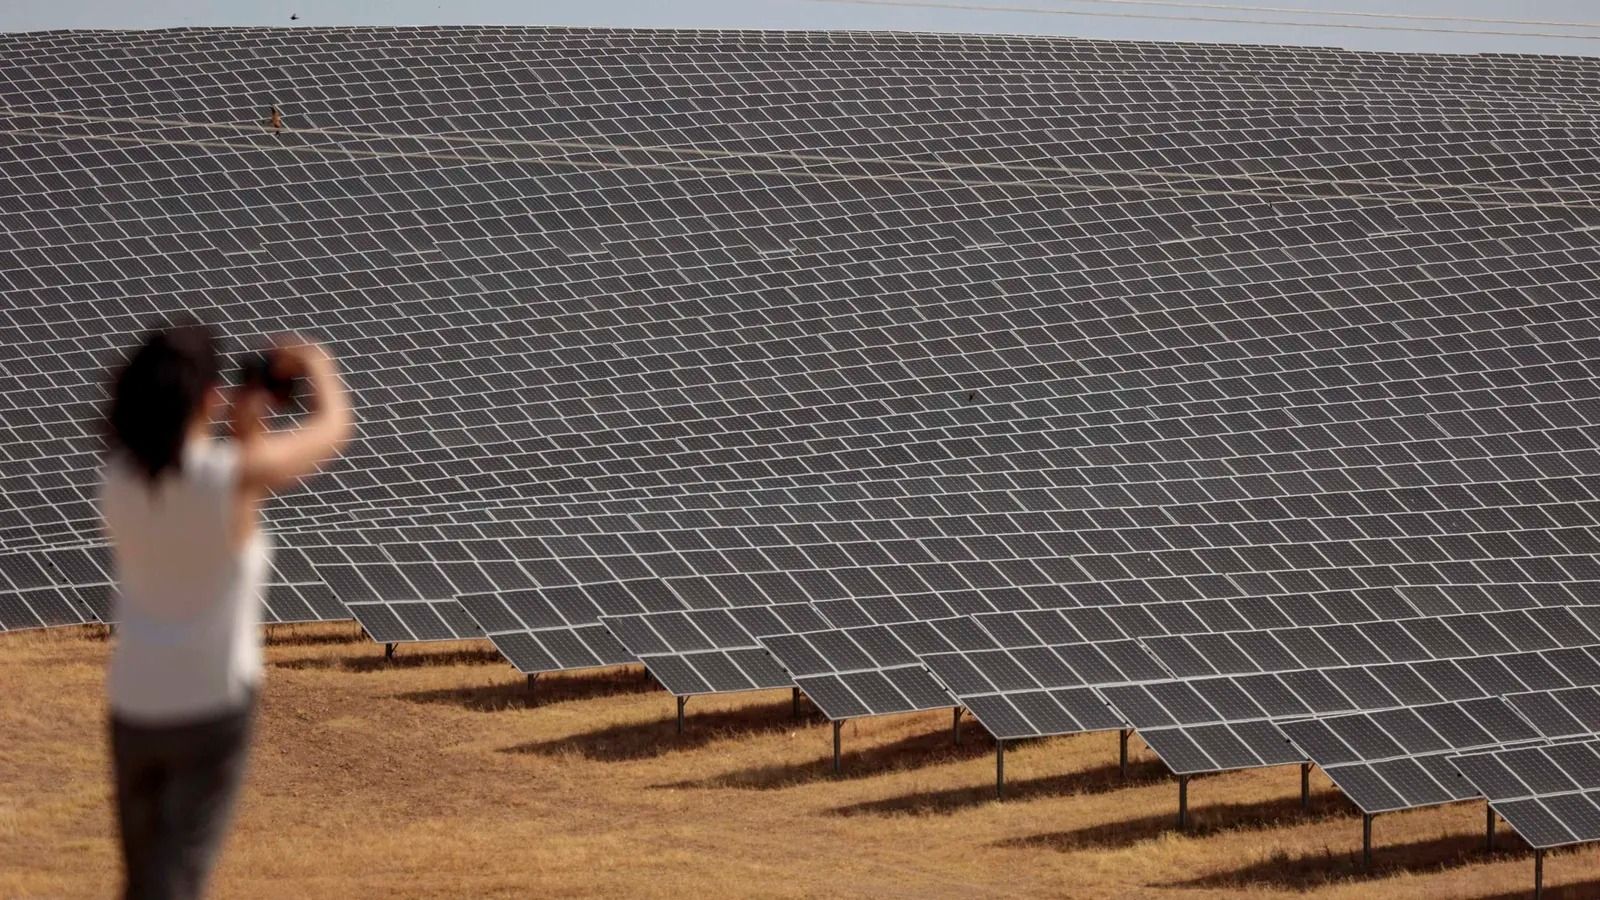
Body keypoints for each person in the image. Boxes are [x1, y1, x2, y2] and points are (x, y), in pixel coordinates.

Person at [100, 320, 351, 900]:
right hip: (209, 706)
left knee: (145, 879)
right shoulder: (226, 480)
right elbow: (333, 431)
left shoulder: (118, 481)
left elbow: (227, 490)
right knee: (178, 877)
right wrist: (317, 365)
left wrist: (244, 426)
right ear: (208, 397)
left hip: (134, 705)